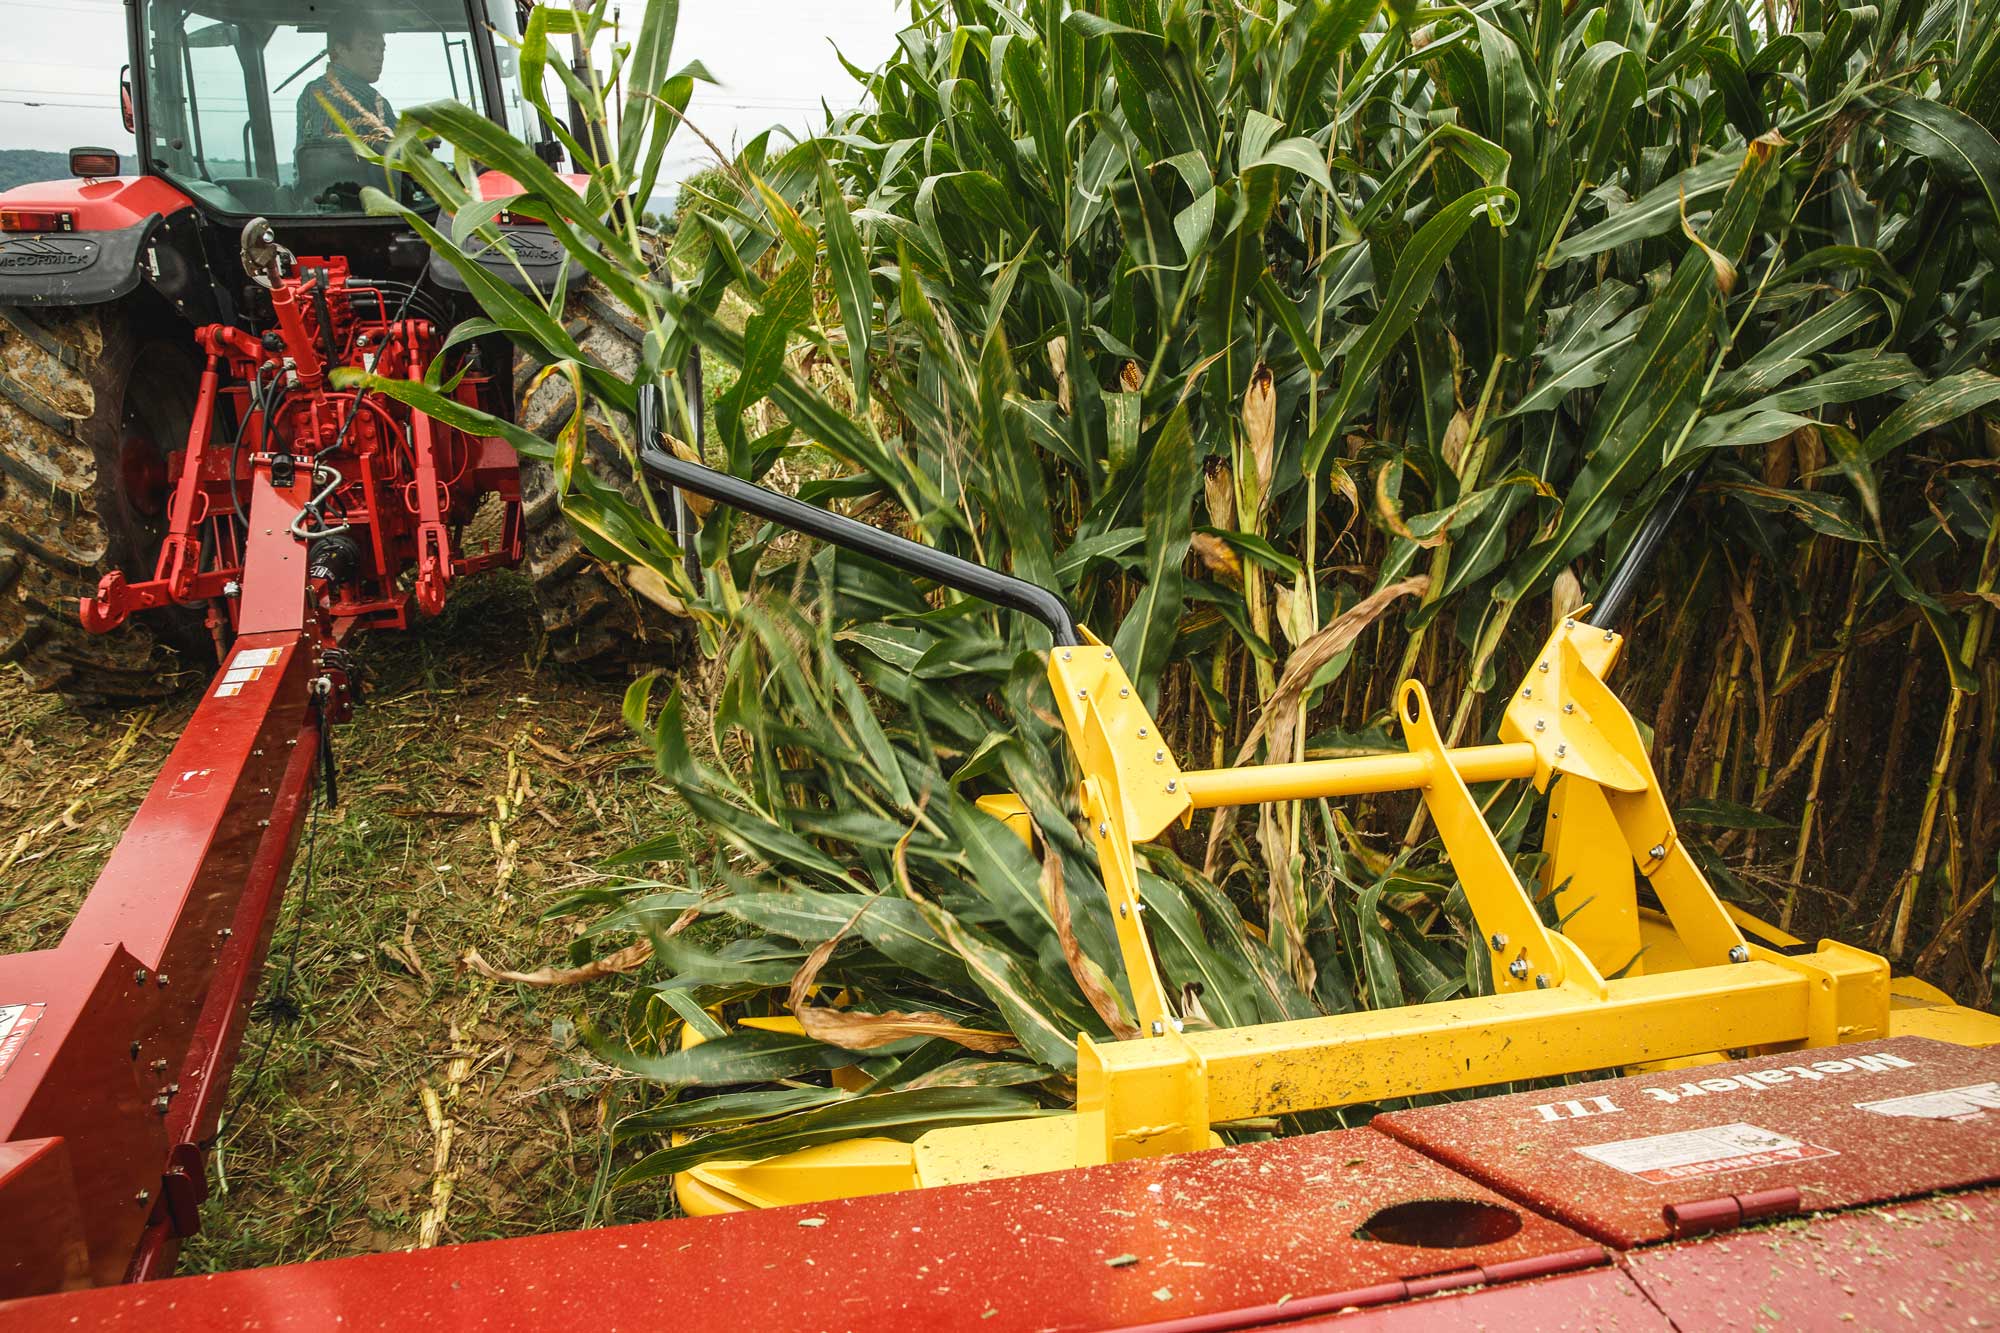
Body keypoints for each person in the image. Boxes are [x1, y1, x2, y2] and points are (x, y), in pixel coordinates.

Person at [295, 16, 395, 153]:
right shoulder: (370, 99)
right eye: (369, 48)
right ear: (341, 50)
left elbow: (301, 157)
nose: (379, 56)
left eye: (382, 49)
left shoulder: (310, 92)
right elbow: (403, 161)